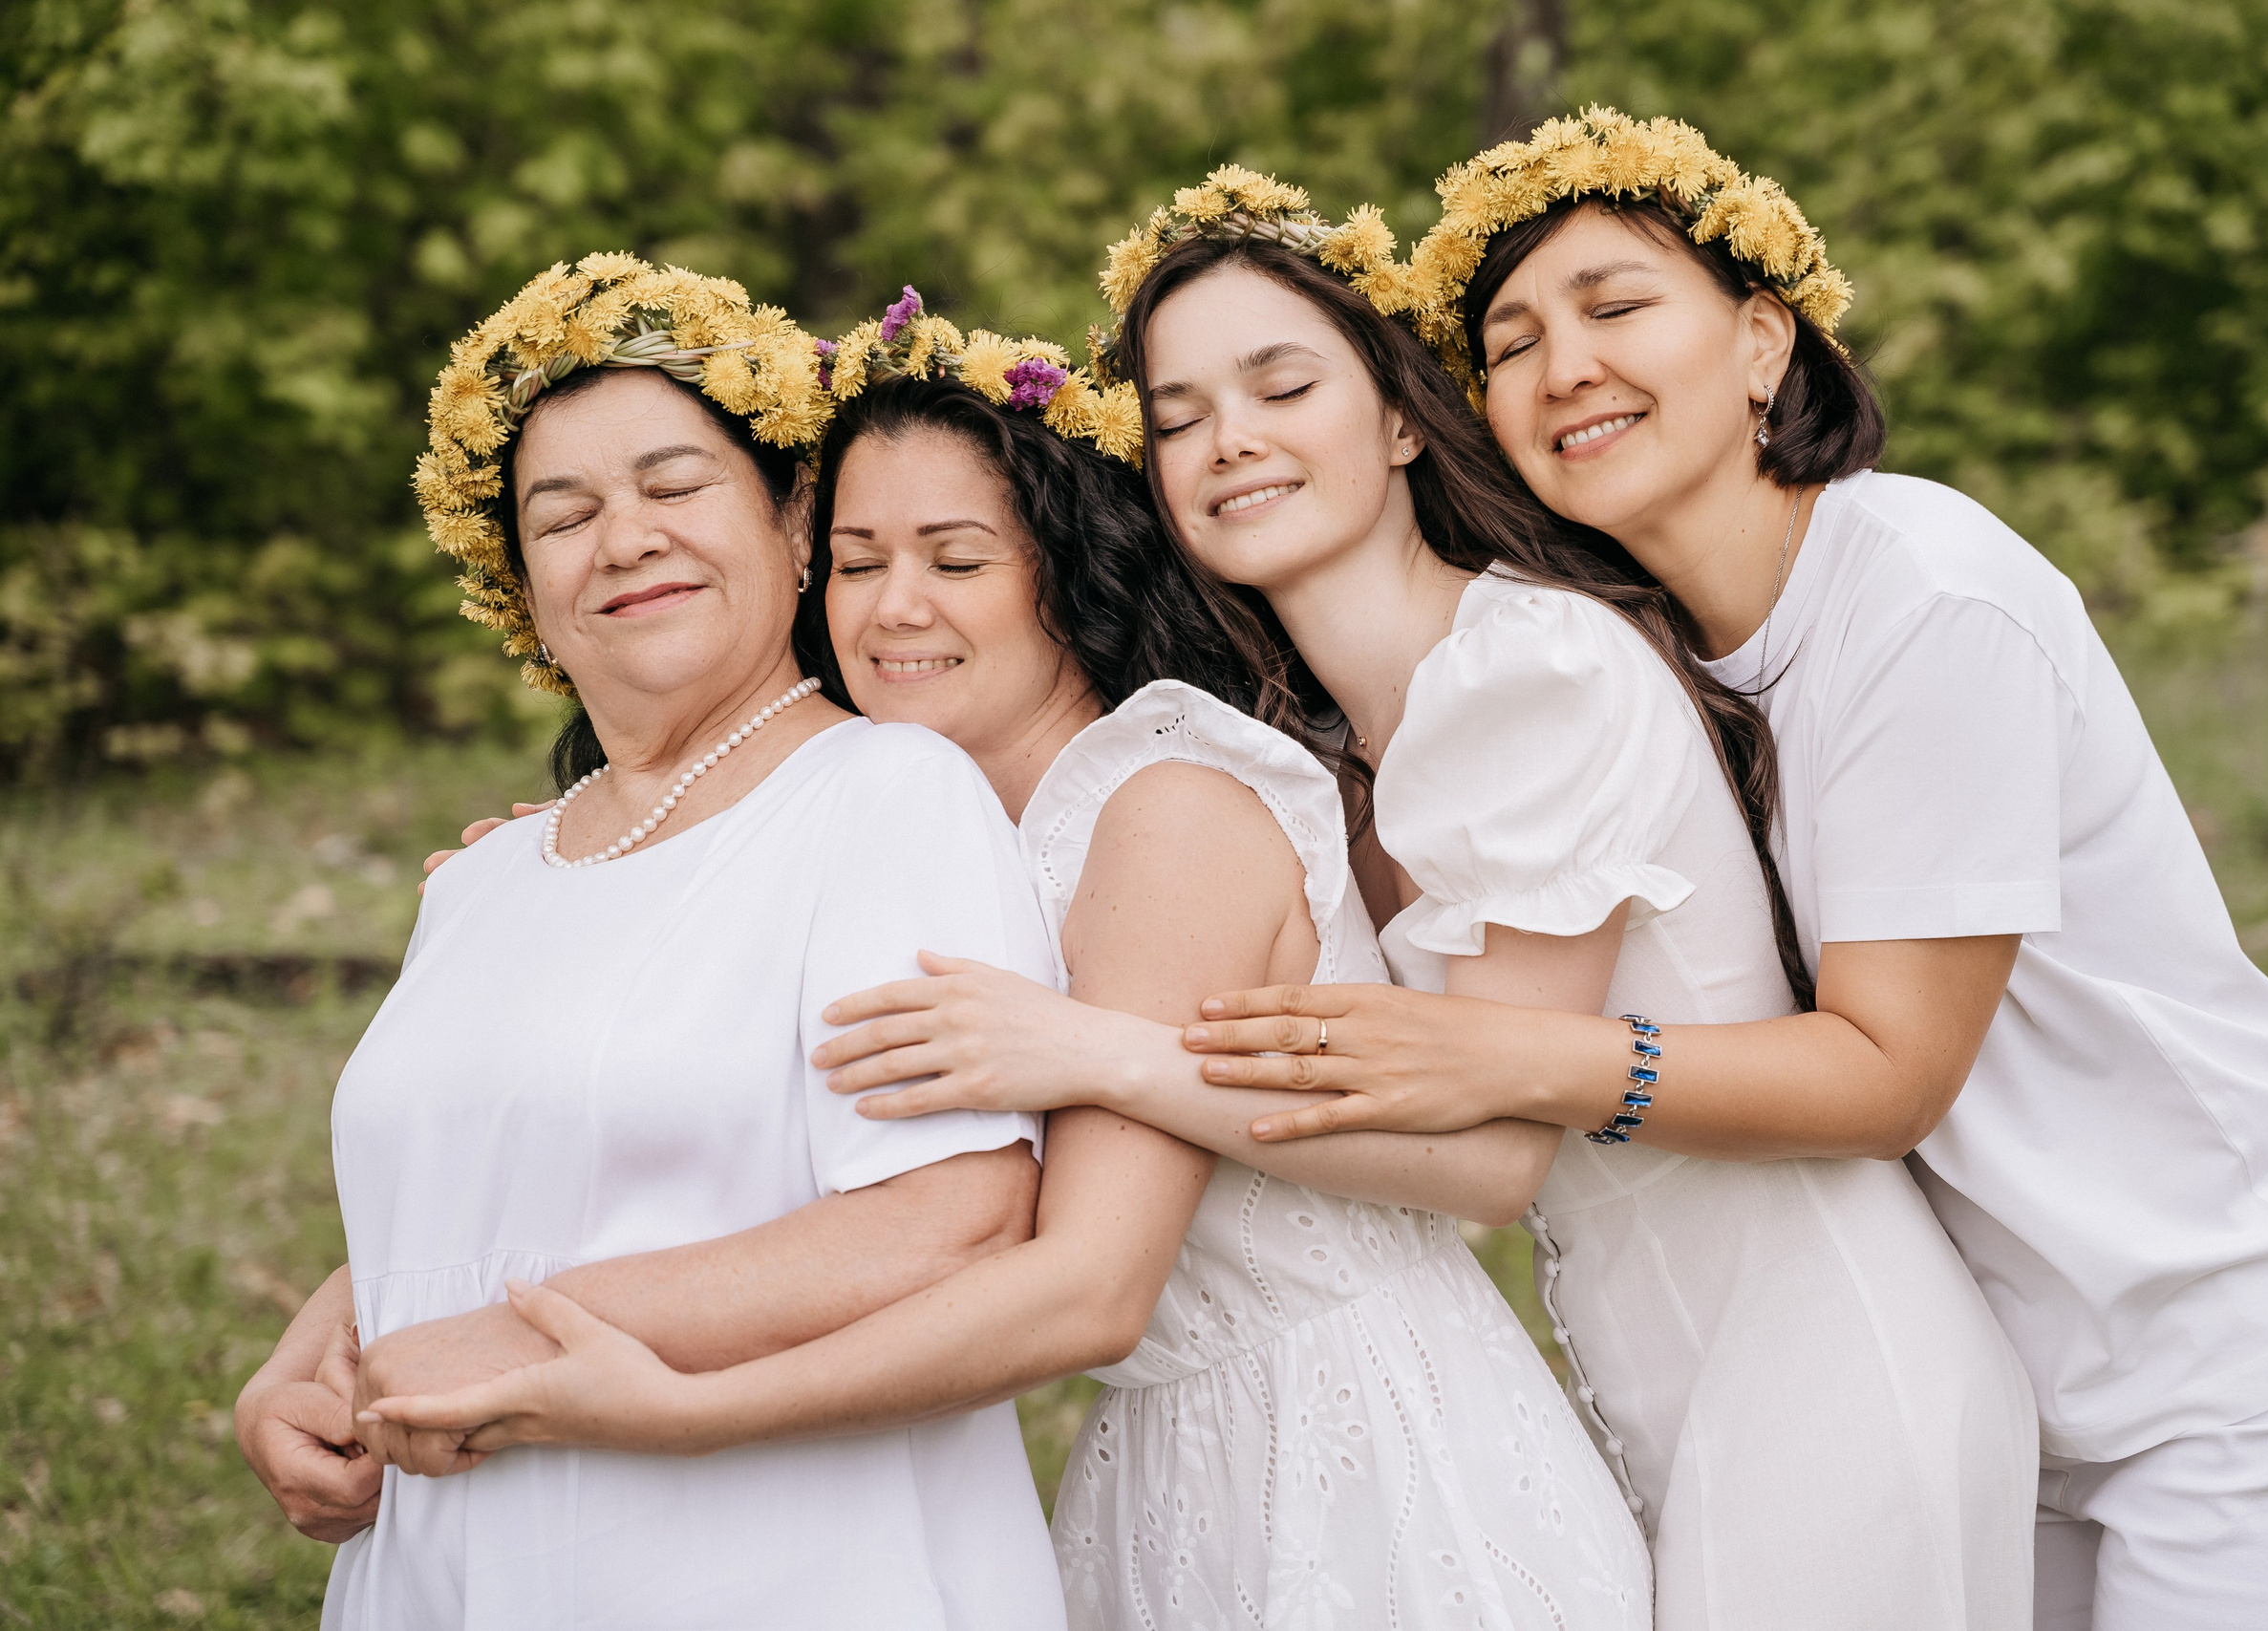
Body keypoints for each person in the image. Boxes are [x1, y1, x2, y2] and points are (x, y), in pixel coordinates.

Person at [1178, 113, 2268, 1630]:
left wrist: (1498, 1055)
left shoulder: (1924, 599)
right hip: (1996, 1359)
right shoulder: (1638, 643)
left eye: (1617, 305)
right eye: (1510, 342)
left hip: (2229, 1363)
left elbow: (1885, 1074)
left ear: (1765, 341)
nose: (1563, 364)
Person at [809, 170, 2039, 1629]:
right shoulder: (1324, 739)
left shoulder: (1531, 671)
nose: (1231, 441)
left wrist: (1096, 1053)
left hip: (1821, 1361)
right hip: (1645, 1367)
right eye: (1184, 414)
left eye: (1280, 387)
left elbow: (1494, 1161)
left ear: (1399, 417)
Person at [371, 297, 1653, 1629]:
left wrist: (690, 1411)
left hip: (1360, 1465)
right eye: (859, 563)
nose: (896, 608)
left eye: (958, 559)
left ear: (1066, 569)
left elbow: (1087, 1290)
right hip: (1163, 1450)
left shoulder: (1163, 812)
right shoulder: (941, 830)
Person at [233, 256, 1069, 1630]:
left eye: (674, 486)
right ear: (524, 588)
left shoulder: (883, 794)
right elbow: (489, 1184)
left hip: (760, 1564)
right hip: (443, 1570)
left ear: (797, 525)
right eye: (563, 515)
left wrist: (512, 1335)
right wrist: (313, 1362)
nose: (623, 538)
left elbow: (951, 1223)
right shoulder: (487, 877)